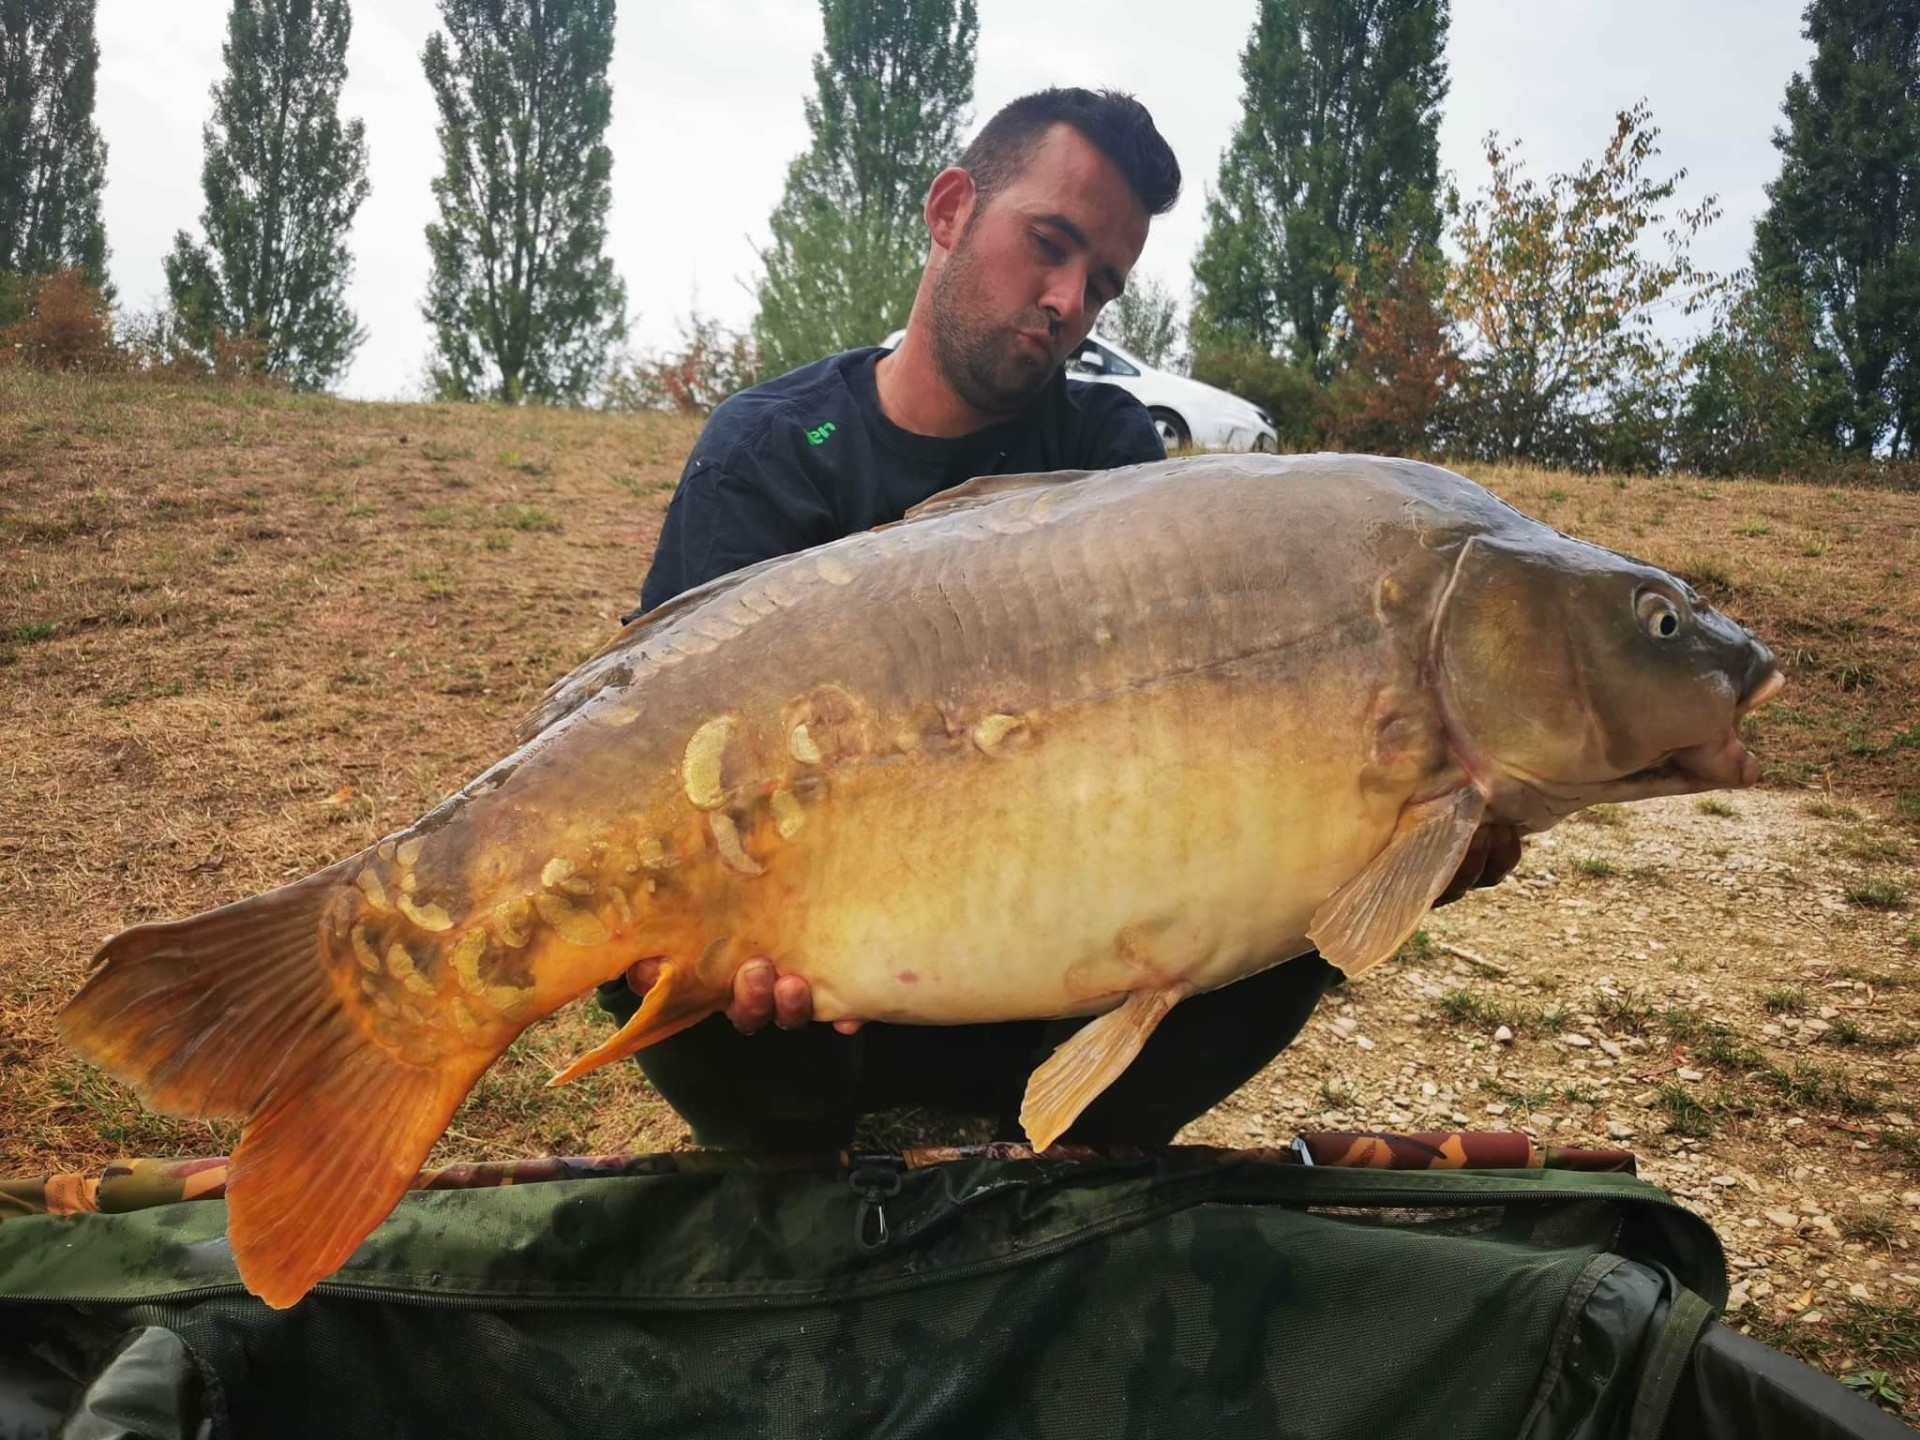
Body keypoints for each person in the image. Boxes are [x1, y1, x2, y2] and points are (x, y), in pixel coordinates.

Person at [599, 87, 1521, 1154]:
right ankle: (810, 1170)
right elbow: (664, 755)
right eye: (1051, 244)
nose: (1069, 298)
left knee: (1292, 914)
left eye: (1103, 283)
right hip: (816, 977)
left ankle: (1068, 1161)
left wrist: (1396, 831)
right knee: (650, 948)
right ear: (950, 212)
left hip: (1044, 970)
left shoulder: (1108, 448)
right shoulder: (765, 449)